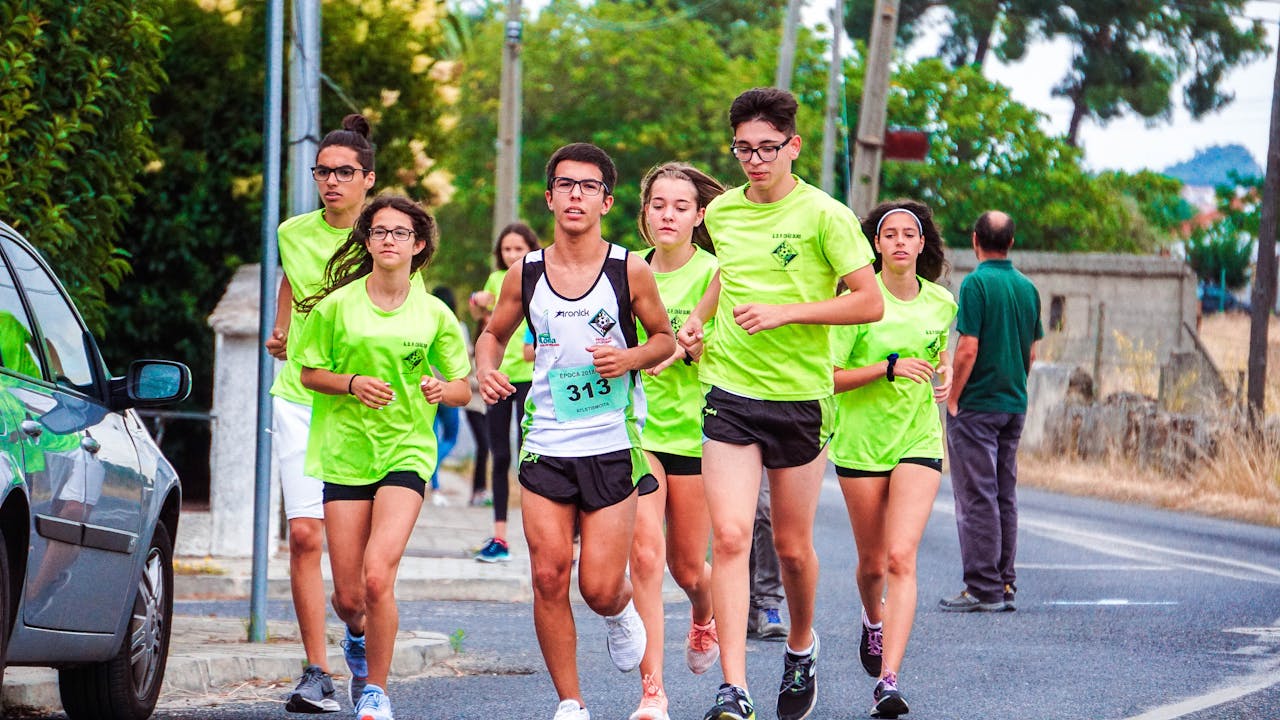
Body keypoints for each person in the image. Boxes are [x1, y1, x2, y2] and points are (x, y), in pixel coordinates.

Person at [676, 87, 883, 720]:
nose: (755, 159)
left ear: (793, 145)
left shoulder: (827, 216)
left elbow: (868, 301)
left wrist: (788, 312)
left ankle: (800, 645)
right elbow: (725, 272)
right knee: (732, 537)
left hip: (801, 397)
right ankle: (733, 689)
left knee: (792, 549)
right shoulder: (723, 215)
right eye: (744, 148)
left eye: (768, 147)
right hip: (731, 392)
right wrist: (696, 320)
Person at [476, 143, 676, 720]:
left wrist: (629, 358)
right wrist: (487, 368)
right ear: (549, 197)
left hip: (611, 443)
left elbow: (663, 339)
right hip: (546, 446)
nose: (575, 196)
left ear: (606, 201)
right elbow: (493, 335)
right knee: (546, 574)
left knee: (598, 586)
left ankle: (618, 613)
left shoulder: (627, 268)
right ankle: (571, 702)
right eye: (565, 185)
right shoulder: (527, 272)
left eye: (588, 187)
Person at [296, 195, 471, 720]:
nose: (388, 240)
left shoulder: (434, 313)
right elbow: (308, 372)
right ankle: (355, 636)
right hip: (346, 455)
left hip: (407, 453)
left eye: (400, 232)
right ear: (366, 241)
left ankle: (376, 690)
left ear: (418, 245)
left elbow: (464, 386)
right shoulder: (336, 308)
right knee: (350, 598)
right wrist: (350, 384)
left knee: (378, 576)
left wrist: (444, 389)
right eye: (379, 231)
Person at [265, 113, 376, 714]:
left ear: (367, 179)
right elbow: (291, 279)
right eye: (323, 173)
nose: (331, 182)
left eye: (343, 173)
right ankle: (317, 671)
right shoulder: (292, 231)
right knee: (304, 535)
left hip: (360, 408)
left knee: (353, 580)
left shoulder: (386, 237)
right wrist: (283, 325)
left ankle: (357, 637)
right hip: (298, 397)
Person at [831, 200, 956, 718]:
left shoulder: (942, 302)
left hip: (919, 441)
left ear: (923, 244)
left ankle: (888, 680)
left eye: (911, 233)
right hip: (860, 443)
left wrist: (943, 378)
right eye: (891, 234)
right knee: (872, 564)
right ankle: (872, 619)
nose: (902, 241)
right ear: (876, 245)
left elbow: (940, 359)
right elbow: (829, 377)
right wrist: (887, 368)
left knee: (902, 557)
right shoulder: (858, 301)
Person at [627, 162, 723, 720]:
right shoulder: (628, 273)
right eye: (658, 204)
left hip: (698, 432)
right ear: (645, 213)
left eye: (680, 206)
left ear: (699, 215)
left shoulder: (719, 273)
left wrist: (688, 349)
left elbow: (733, 345)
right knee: (645, 557)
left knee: (688, 569)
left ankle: (703, 613)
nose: (667, 215)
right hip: (637, 432)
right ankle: (652, 691)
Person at [940, 210, 1043, 614]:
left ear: (975, 240)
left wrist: (953, 397)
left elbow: (967, 347)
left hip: (977, 406)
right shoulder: (1028, 288)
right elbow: (1031, 352)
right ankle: (1004, 581)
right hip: (1013, 404)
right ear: (1012, 242)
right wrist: (1015, 383)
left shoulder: (977, 283)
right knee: (1004, 494)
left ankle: (982, 586)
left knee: (976, 496)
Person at [473, 222, 541, 562]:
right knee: (500, 456)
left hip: (531, 376)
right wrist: (477, 302)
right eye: (507, 249)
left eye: (519, 248)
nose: (512, 254)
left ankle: (546, 537)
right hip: (499, 377)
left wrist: (533, 341)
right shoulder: (495, 280)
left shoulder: (542, 274)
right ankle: (500, 537)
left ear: (531, 248)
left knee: (535, 456)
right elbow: (486, 320)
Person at [429, 285, 464, 507]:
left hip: (427, 387)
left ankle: (434, 483)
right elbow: (464, 361)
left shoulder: (427, 322)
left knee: (431, 438)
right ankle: (433, 467)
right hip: (450, 388)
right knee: (450, 437)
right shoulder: (458, 326)